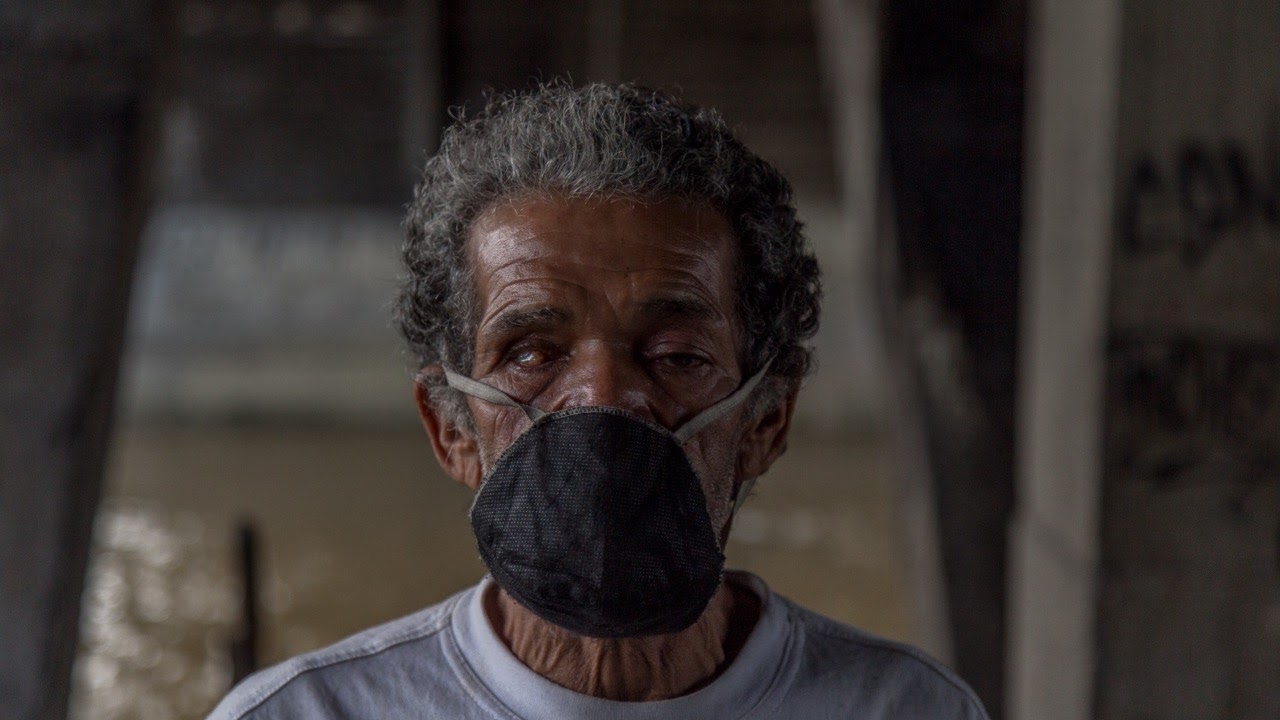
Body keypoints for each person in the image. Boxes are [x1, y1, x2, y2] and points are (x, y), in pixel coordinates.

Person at [208, 82, 989, 719]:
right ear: (450, 429)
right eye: (532, 354)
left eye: (677, 356)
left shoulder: (906, 710)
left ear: (766, 420)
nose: (604, 399)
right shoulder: (299, 716)